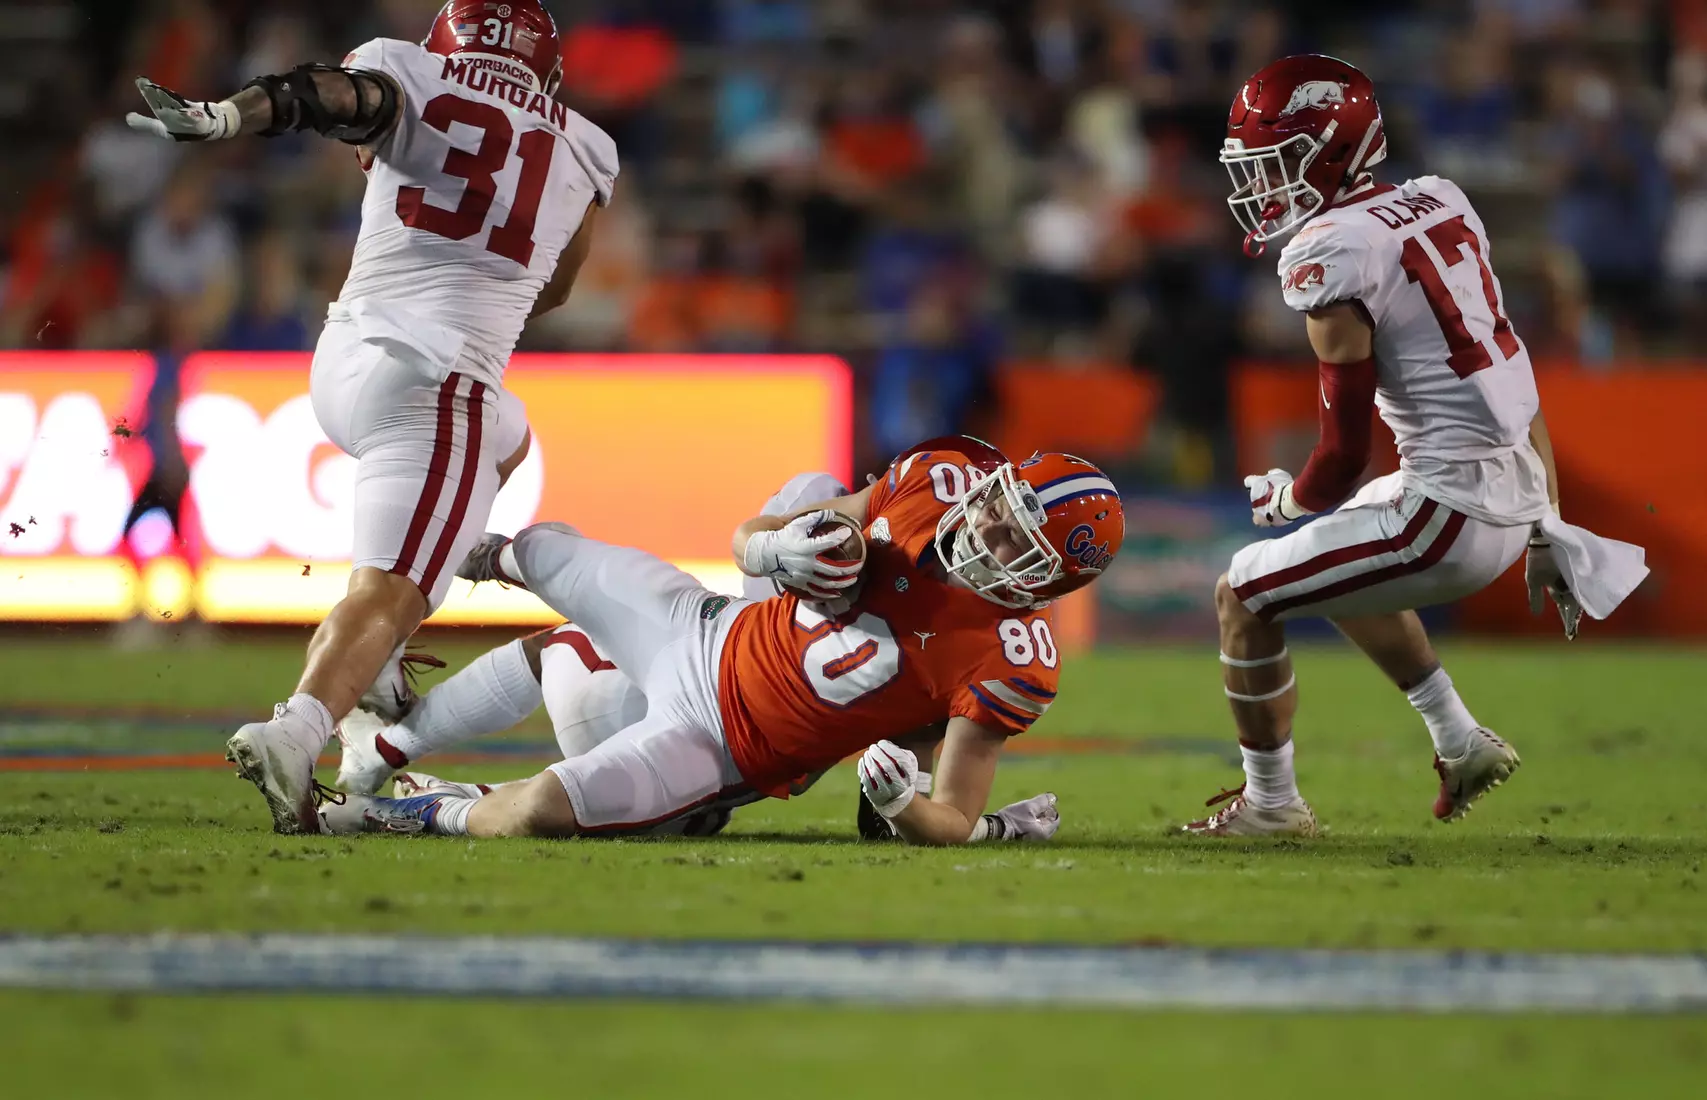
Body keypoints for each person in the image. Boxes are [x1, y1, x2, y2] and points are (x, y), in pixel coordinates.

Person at [125, 1, 617, 834]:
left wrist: (226, 117)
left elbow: (326, 96)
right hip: (435, 378)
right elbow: (558, 288)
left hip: (349, 354)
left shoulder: (409, 66)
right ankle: (295, 732)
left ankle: (379, 657)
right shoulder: (586, 144)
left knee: (509, 435)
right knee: (389, 588)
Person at [1189, 55, 1648, 837]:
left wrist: (1285, 499)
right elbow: (1511, 369)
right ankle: (1459, 740)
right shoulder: (1437, 202)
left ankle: (1270, 806)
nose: (1262, 187)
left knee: (1243, 592)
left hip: (1444, 512)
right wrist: (1545, 515)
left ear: (1331, 150)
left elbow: (1339, 457)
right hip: (1504, 492)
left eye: (1278, 163)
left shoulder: (1331, 250)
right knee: (1321, 567)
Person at [315, 445, 1122, 844]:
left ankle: (421, 809)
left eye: (1015, 542)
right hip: (701, 626)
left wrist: (898, 803)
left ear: (1047, 584)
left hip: (719, 744)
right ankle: (391, 601)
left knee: (532, 810)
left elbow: (949, 812)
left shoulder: (1009, 657)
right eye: (997, 505)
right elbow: (755, 537)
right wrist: (775, 552)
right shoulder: (932, 482)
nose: (984, 526)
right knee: (533, 550)